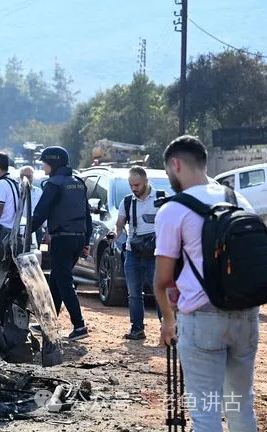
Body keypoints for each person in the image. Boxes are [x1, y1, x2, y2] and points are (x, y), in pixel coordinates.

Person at [154, 135, 258, 431]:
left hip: (202, 319)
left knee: (205, 411)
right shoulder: (238, 200)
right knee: (240, 404)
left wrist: (167, 321)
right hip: (246, 314)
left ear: (175, 164)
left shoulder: (173, 210)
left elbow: (162, 280)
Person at [28, 146, 92, 341]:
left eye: (44, 162)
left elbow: (40, 213)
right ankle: (48, 323)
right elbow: (87, 216)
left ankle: (79, 326)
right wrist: (86, 241)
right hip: (78, 238)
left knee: (63, 282)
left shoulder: (53, 184)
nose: (43, 166)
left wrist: (24, 233)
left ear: (53, 163)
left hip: (62, 239)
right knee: (56, 280)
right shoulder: (78, 183)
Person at [110, 166, 164, 340]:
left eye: (137, 185)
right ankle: (137, 329)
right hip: (132, 252)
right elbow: (119, 225)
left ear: (146, 181)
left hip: (156, 253)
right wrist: (114, 235)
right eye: (131, 185)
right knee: (134, 292)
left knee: (160, 292)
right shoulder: (127, 201)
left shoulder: (161, 199)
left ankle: (167, 327)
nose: (134, 189)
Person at [19, 165, 44, 246]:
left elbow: (44, 211)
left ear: (33, 177)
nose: (25, 178)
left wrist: (47, 231)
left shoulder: (39, 192)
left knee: (39, 252)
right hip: (19, 228)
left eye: (28, 176)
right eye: (23, 176)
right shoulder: (15, 191)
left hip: (36, 228)